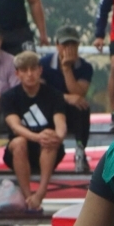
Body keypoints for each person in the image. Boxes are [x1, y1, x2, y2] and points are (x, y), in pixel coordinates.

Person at [0, 51, 67, 211]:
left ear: (40, 70)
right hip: (20, 149)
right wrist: (37, 137)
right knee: (19, 142)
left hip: (47, 148)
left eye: (33, 69)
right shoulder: (9, 97)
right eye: (24, 70)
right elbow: (15, 126)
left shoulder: (55, 95)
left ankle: (40, 193)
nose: (29, 74)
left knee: (50, 139)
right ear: (17, 74)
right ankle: (28, 196)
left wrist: (57, 137)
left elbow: (60, 123)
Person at [40, 26, 93, 172]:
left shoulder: (85, 67)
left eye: (73, 44)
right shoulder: (43, 64)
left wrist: (67, 69)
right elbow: (41, 92)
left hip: (71, 112)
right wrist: (64, 97)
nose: (69, 48)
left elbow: (78, 93)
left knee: (82, 106)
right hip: (49, 108)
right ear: (57, 45)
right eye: (65, 44)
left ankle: (80, 148)